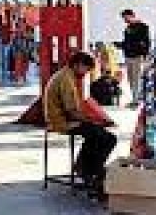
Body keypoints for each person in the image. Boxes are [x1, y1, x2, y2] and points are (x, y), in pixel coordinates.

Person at [44, 52, 117, 200]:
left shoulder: (67, 76)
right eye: (86, 69)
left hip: (67, 119)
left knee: (103, 136)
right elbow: (71, 112)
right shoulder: (66, 79)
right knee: (106, 137)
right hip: (62, 121)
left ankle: (86, 169)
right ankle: (91, 172)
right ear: (78, 65)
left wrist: (95, 119)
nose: (86, 73)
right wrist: (93, 120)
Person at [120, 9, 151, 106]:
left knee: (136, 79)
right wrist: (120, 45)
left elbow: (146, 43)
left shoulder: (143, 27)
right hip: (128, 56)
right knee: (130, 79)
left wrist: (145, 56)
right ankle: (134, 98)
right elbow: (127, 42)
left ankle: (136, 100)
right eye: (124, 18)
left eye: (126, 17)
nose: (125, 20)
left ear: (132, 15)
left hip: (138, 56)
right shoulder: (127, 28)